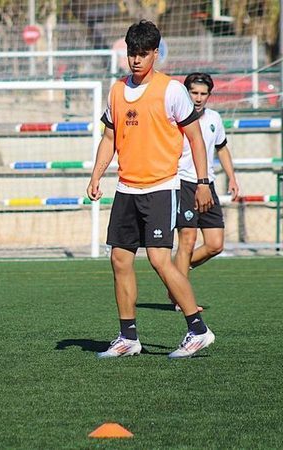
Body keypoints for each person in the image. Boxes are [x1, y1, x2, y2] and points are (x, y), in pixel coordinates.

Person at [87, 20, 217, 360]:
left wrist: (202, 183)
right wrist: (96, 175)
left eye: (143, 54)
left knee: (159, 258)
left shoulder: (171, 90)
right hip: (126, 189)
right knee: (119, 258)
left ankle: (198, 329)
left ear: (155, 54)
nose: (136, 60)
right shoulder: (117, 90)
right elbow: (109, 138)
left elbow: (195, 139)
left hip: (161, 187)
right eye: (132, 54)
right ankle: (128, 337)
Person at [169, 72, 240, 311]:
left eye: (203, 93)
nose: (198, 98)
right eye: (194, 92)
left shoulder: (214, 118)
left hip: (206, 185)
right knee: (187, 240)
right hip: (183, 183)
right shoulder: (176, 119)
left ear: (209, 95)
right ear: (186, 93)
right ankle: (181, 298)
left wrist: (232, 177)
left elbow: (222, 148)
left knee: (215, 244)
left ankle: (176, 273)